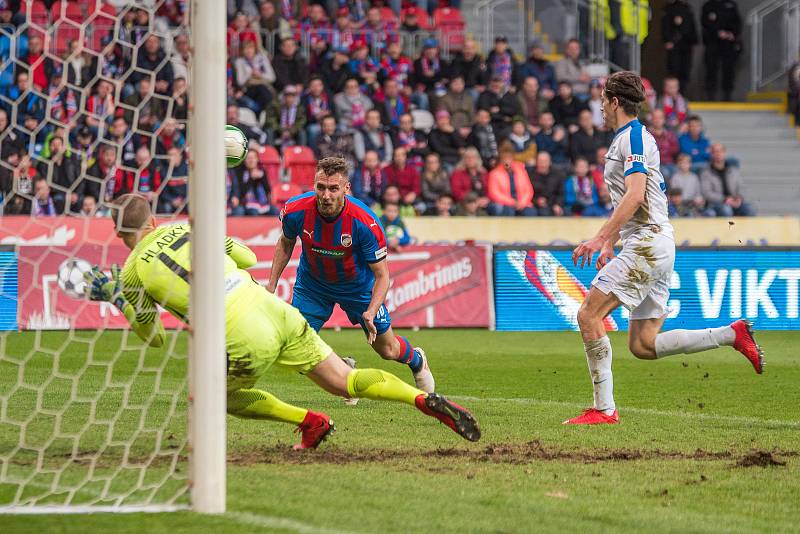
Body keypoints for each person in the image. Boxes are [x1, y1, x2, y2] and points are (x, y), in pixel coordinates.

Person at [84, 194, 479, 451]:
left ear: (120, 233)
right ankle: (420, 399)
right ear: (153, 219)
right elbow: (247, 257)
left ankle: (309, 421)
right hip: (272, 309)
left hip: (236, 332)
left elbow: (152, 337)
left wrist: (117, 297)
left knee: (212, 397)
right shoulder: (186, 228)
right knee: (345, 381)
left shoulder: (132, 270)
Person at [567, 71, 763, 426]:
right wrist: (613, 239)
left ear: (614, 102)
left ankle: (603, 409)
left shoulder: (634, 138)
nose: (599, 107)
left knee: (588, 315)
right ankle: (729, 334)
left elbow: (636, 193)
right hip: (652, 242)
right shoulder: (627, 139)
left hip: (647, 243)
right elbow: (634, 198)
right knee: (643, 344)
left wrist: (600, 237)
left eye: (602, 100)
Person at [268, 157, 437, 394]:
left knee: (388, 351)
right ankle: (343, 369)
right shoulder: (295, 210)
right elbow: (285, 243)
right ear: (314, 185)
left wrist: (370, 310)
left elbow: (382, 276)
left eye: (333, 188)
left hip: (358, 289)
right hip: (313, 286)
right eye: (321, 187)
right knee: (294, 349)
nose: (326, 195)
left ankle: (417, 360)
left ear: (346, 188)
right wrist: (271, 285)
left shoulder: (365, 222)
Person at [701, 0, 741, 101]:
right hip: (712, 42)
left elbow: (738, 22)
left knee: (728, 68)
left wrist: (732, 33)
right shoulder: (708, 5)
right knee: (711, 68)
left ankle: (727, 94)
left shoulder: (731, 5)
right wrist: (717, 33)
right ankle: (710, 95)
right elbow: (705, 23)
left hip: (728, 43)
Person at [700, 143, 753, 216]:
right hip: (717, 204)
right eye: (715, 151)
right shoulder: (706, 173)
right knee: (726, 210)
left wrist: (739, 198)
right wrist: (725, 199)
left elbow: (741, 187)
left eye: (720, 151)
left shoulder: (733, 170)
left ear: (724, 153)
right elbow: (707, 193)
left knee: (750, 209)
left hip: (735, 201)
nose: (718, 154)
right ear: (711, 154)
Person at [486, 141, 536, 216]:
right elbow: (494, 193)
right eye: (504, 158)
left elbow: (529, 190)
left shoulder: (522, 171)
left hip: (522, 203)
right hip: (505, 204)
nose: (507, 161)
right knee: (508, 211)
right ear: (501, 159)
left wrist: (522, 203)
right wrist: (512, 202)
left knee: (530, 212)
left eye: (509, 158)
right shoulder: (494, 174)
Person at [662, 0, 698, 91]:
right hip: (674, 45)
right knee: (674, 70)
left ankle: (682, 93)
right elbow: (665, 25)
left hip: (686, 44)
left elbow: (692, 27)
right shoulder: (670, 8)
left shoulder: (688, 8)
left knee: (685, 71)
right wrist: (668, 40)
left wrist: (693, 40)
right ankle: (673, 93)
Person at [530, 151, 565, 216]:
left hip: (552, 203)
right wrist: (536, 201)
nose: (543, 164)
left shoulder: (558, 175)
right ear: (536, 162)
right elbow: (527, 192)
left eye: (545, 161)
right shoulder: (530, 175)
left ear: (550, 162)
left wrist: (558, 204)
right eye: (540, 161)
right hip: (534, 204)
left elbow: (560, 193)